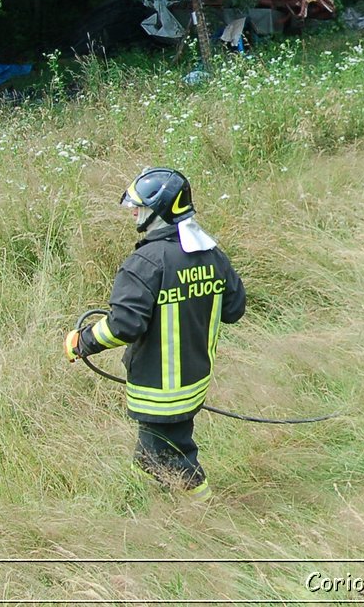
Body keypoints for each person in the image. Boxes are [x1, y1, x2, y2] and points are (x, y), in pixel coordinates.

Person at [64, 167, 246, 499]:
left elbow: (123, 325)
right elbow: (234, 310)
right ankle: (153, 507)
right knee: (150, 457)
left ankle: (204, 518)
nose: (133, 211)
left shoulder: (145, 263)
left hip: (160, 391)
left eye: (141, 206)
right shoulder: (210, 253)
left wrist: (82, 341)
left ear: (160, 211)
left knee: (172, 462)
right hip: (194, 380)